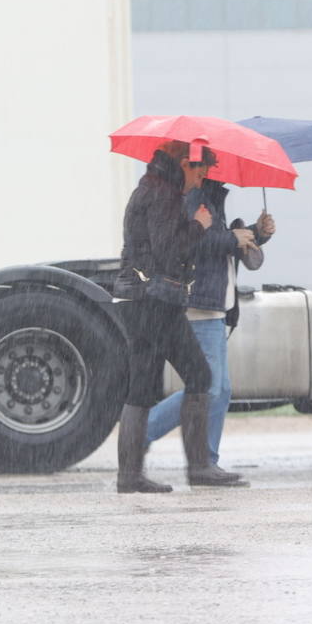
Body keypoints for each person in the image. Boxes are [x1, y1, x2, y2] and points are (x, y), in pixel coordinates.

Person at [111, 140, 243, 493]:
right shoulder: (164, 194)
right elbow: (170, 248)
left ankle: (129, 476)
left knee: (141, 387)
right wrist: (198, 224)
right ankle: (199, 467)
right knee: (200, 375)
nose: (201, 179)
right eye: (200, 170)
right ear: (185, 163)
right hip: (156, 301)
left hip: (134, 298)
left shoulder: (148, 187)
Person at [144, 168, 275, 483]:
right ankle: (142, 432)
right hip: (199, 305)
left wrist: (257, 233)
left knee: (221, 389)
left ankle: (206, 463)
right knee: (208, 387)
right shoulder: (194, 197)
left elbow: (218, 243)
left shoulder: (210, 197)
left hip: (213, 306)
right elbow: (191, 243)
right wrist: (233, 237)